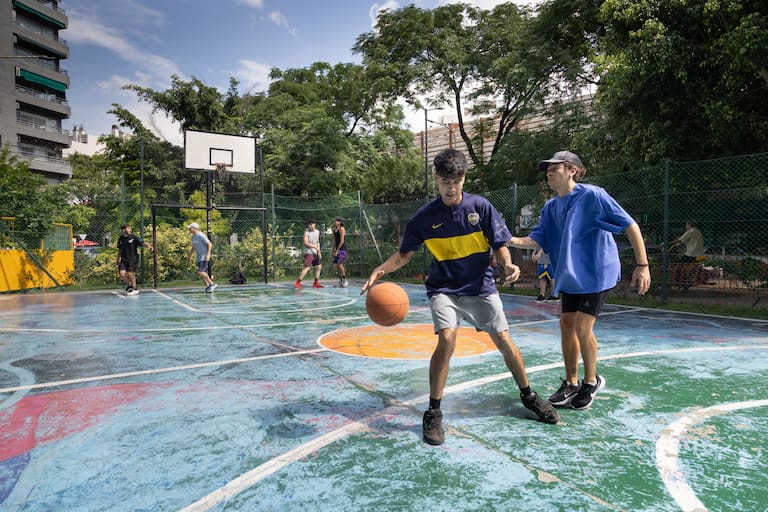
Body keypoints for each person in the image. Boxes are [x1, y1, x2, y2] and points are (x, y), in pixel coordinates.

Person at [361, 149, 559, 446]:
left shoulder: (480, 207)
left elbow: (499, 244)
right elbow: (403, 256)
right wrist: (380, 269)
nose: (451, 188)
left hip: (480, 286)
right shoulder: (425, 217)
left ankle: (528, 394)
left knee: (504, 340)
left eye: (456, 181)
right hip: (444, 288)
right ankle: (434, 411)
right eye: (444, 182)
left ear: (464, 178)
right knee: (448, 338)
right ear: (436, 180)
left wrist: (507, 264)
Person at [508, 151, 651, 410]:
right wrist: (506, 238)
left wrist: (643, 265)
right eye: (547, 169)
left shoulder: (593, 196)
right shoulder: (551, 207)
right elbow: (535, 240)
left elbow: (630, 225)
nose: (549, 173)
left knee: (583, 327)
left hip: (597, 271)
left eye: (555, 168)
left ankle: (590, 381)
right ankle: (571, 383)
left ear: (572, 169)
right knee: (566, 324)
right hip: (572, 274)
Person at [116, 223, 153, 295]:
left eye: (130, 228)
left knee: (130, 273)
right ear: (123, 230)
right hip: (124, 259)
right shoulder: (121, 238)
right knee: (122, 273)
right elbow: (119, 249)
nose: (130, 230)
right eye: (128, 228)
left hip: (133, 259)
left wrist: (148, 245)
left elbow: (142, 242)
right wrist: (117, 259)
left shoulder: (134, 237)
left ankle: (135, 288)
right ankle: (130, 286)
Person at [187, 222, 216, 293]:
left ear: (194, 228)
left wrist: (208, 254)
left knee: (201, 271)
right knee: (202, 272)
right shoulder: (193, 237)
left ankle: (212, 284)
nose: (189, 229)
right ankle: (208, 286)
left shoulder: (201, 235)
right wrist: (189, 256)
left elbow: (209, 244)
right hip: (199, 257)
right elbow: (193, 247)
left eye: (190, 228)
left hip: (204, 256)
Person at [294, 219, 323, 289]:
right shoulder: (306, 232)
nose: (310, 226)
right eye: (309, 224)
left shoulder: (317, 232)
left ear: (314, 224)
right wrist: (315, 247)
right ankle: (297, 283)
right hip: (308, 252)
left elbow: (317, 242)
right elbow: (306, 243)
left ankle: (316, 283)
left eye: (312, 224)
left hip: (315, 252)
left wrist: (319, 252)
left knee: (319, 267)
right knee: (307, 267)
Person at [331, 217, 349, 288]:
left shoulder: (342, 229)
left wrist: (337, 250)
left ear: (339, 222)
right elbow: (335, 241)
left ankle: (345, 280)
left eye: (335, 221)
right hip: (337, 250)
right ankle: (341, 281)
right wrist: (333, 250)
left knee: (339, 264)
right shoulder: (335, 230)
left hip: (342, 250)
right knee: (337, 265)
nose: (334, 222)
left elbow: (342, 241)